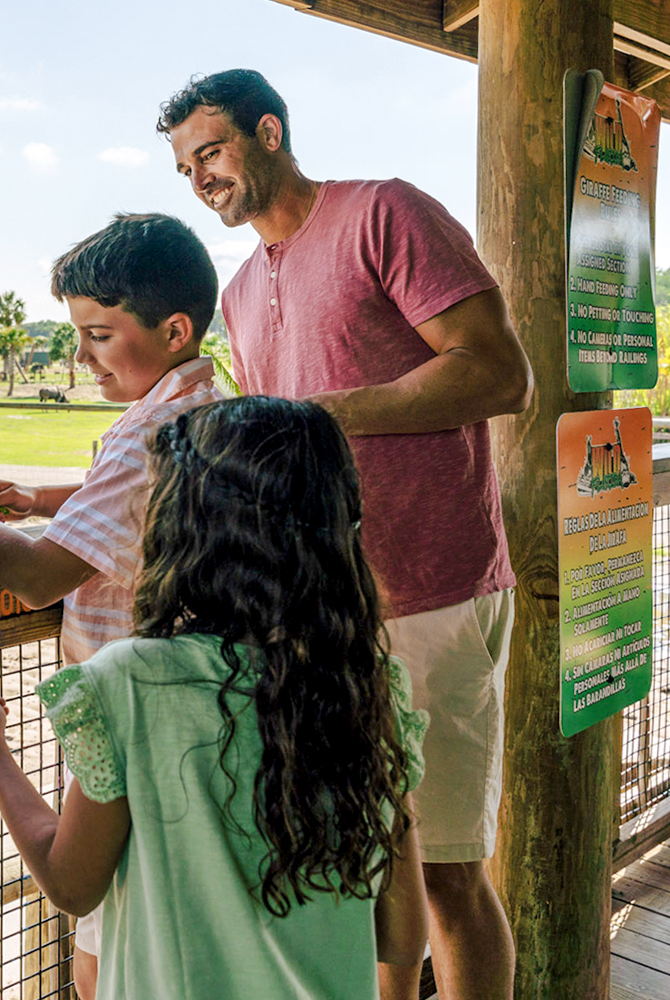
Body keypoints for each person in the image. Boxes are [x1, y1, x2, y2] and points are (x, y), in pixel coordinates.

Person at [159, 69, 533, 1000]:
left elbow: (498, 376)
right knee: (364, 874)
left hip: (434, 593)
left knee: (446, 874)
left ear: (269, 132)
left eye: (210, 150)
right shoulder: (242, 292)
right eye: (183, 166)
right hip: (321, 616)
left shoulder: (384, 213)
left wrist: (322, 412)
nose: (200, 176)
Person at [0, 395, 431, 1000]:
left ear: (184, 528)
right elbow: (404, 933)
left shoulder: (130, 682)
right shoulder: (368, 682)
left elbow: (71, 884)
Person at [0, 212, 225, 998]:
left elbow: (35, 578)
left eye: (99, 335)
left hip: (130, 723)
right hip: (196, 722)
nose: (81, 356)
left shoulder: (147, 436)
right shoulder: (214, 405)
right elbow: (129, 500)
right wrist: (44, 496)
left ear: (173, 330)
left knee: (100, 954)